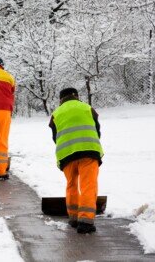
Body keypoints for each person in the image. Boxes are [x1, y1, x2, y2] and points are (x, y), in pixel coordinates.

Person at [49, 87, 104, 234]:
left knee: (71, 184)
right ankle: (85, 221)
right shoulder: (87, 108)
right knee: (88, 185)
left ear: (61, 99)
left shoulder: (56, 114)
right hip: (89, 151)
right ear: (77, 96)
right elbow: (97, 130)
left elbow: (55, 137)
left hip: (66, 154)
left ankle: (73, 218)